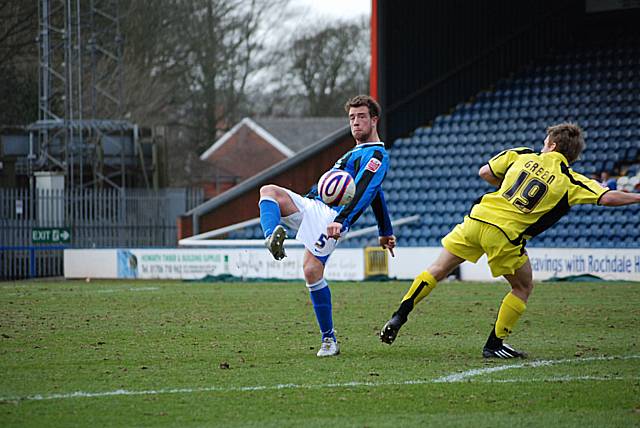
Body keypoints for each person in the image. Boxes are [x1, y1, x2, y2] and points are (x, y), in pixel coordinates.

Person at [380, 123, 640, 359]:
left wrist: (507, 183)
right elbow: (608, 197)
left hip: (478, 217)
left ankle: (399, 314)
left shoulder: (523, 154)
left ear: (552, 144)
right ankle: (494, 344)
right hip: (505, 234)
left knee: (438, 269)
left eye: (545, 141)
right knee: (523, 287)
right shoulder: (571, 179)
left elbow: (485, 172)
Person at [259, 95, 396, 357]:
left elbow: (368, 189)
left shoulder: (377, 154)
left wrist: (340, 220)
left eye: (362, 117)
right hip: (312, 205)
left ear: (374, 120)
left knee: (311, 270)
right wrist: (385, 231)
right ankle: (270, 236)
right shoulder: (353, 152)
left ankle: (329, 340)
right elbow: (377, 193)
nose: (356, 122)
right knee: (269, 191)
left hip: (331, 217)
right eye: (352, 118)